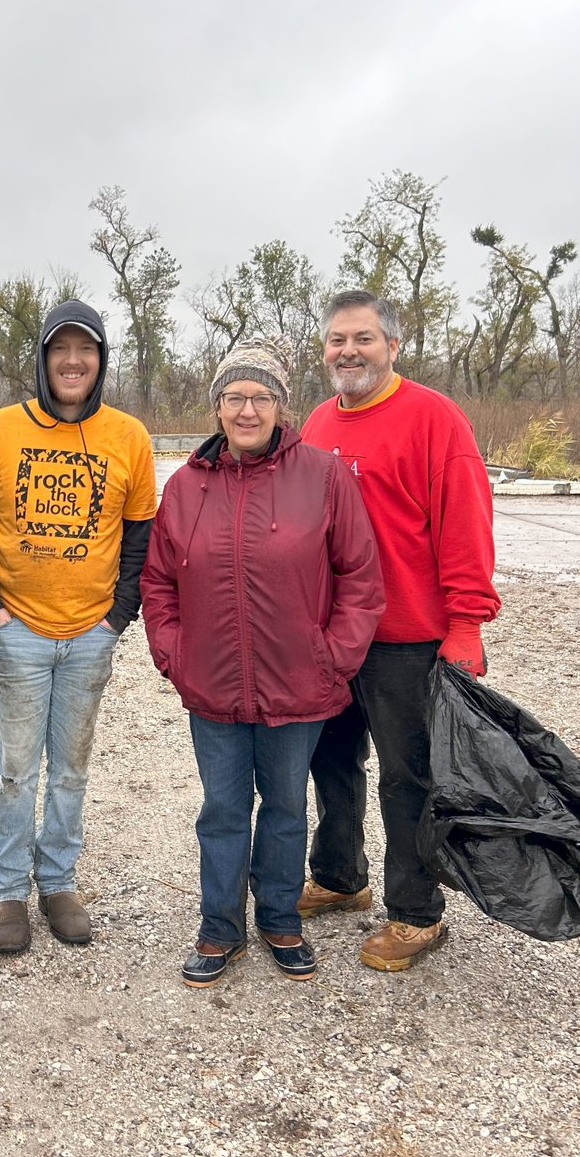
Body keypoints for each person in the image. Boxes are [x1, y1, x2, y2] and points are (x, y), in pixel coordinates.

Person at [141, 341, 383, 988]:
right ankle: (220, 927)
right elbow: (158, 581)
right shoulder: (186, 487)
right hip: (213, 686)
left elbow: (360, 577)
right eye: (234, 396)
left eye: (261, 396)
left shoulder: (324, 476)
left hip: (299, 684)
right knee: (222, 810)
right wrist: (173, 652)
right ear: (217, 406)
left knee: (283, 807)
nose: (247, 409)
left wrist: (334, 656)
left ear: (281, 406)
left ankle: (280, 917)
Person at [300, 290, 502, 971]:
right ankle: (338, 877)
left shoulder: (434, 419)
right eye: (336, 340)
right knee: (330, 762)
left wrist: (466, 621)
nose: (348, 351)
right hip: (331, 635)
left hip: (406, 635)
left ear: (392, 345)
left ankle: (417, 914)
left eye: (362, 338)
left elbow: (466, 524)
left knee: (406, 777)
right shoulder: (318, 423)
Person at [0, 299, 158, 953]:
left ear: (101, 361)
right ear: (43, 359)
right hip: (18, 626)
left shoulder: (128, 437)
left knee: (70, 766)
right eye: (60, 349)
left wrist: (118, 615)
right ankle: (4, 893)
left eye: (87, 350)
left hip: (90, 634)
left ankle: (57, 882)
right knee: (17, 764)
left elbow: (140, 537)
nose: (73, 361)